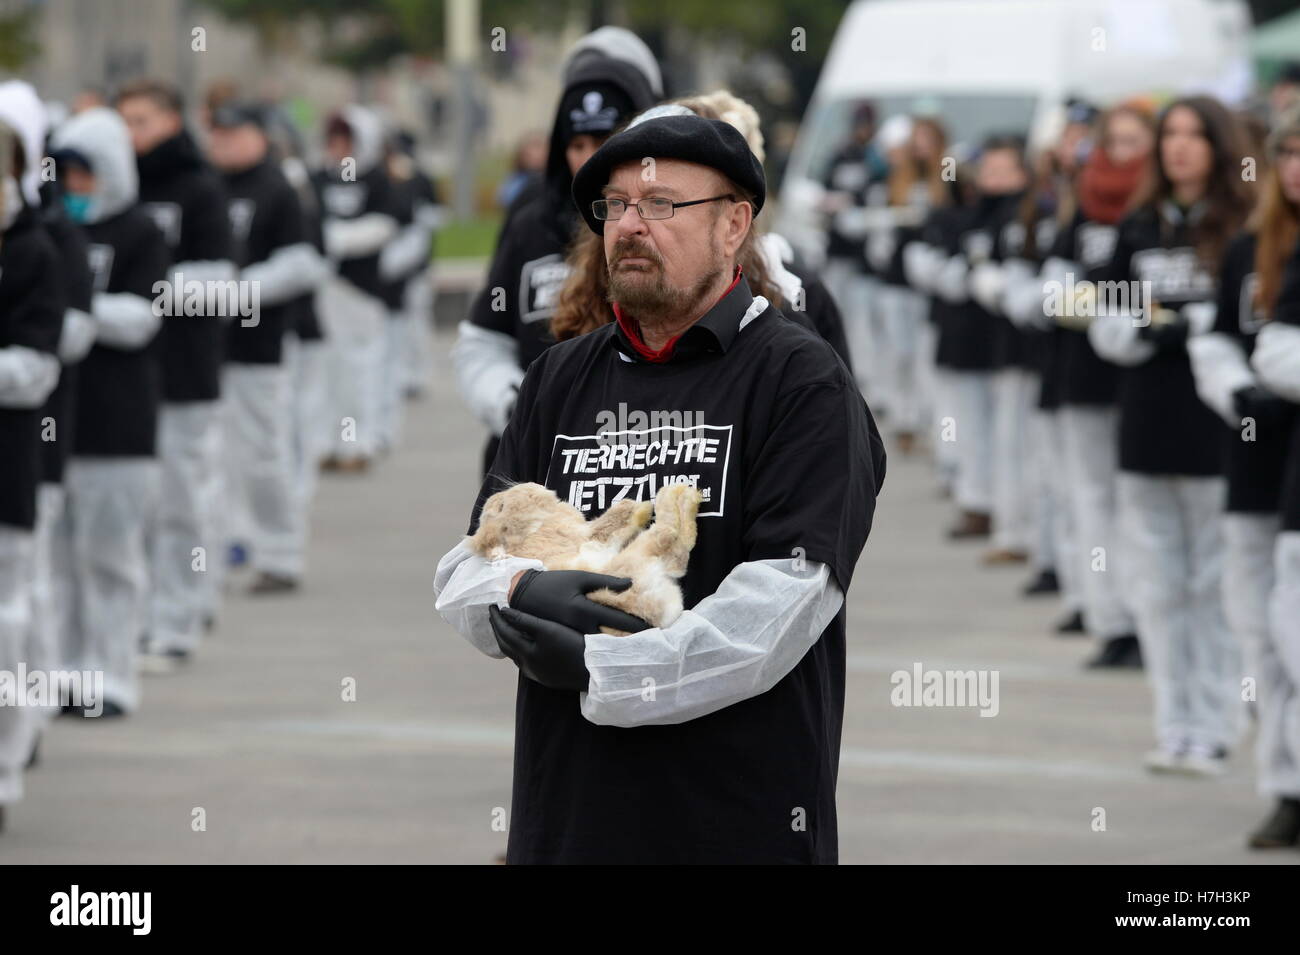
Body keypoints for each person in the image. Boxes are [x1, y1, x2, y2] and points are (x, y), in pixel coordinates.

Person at [435, 113, 885, 864]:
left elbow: (778, 611)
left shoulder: (802, 382)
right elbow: (464, 568)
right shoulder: (558, 377)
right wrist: (514, 590)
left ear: (734, 224)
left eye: (662, 204)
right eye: (615, 207)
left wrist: (601, 668)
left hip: (739, 822)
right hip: (569, 821)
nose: (631, 226)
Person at [1089, 96, 1253, 775]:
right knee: (1158, 581)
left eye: (1195, 135)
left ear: (1220, 145)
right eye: (1171, 135)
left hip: (1217, 426)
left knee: (1213, 581)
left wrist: (1199, 328)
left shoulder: (1243, 224)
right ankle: (1175, 721)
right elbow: (1099, 313)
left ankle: (1217, 722)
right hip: (1147, 418)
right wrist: (1142, 330)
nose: (1180, 147)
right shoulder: (1139, 225)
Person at [451, 27, 660, 476]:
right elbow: (483, 340)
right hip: (528, 468)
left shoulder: (671, 225)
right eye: (576, 145)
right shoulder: (532, 221)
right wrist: (516, 404)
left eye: (605, 142)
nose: (588, 161)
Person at [49, 107, 171, 716]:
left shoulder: (142, 232)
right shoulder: (51, 232)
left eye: (86, 174)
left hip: (118, 423)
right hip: (57, 426)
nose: (75, 189)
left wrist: (76, 316)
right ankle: (65, 674)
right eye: (66, 175)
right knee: (61, 562)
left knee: (110, 557)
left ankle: (111, 674)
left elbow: (144, 318)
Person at [115, 79, 234, 665]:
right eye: (124, 121)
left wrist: (152, 290)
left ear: (169, 120)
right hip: (127, 375)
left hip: (186, 370)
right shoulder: (116, 186)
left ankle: (178, 619)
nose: (131, 133)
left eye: (141, 120)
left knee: (181, 500)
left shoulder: (199, 188)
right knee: (138, 505)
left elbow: (222, 284)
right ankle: (143, 615)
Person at [1209, 108, 1300, 846]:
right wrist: (1238, 388)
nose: (1297, 166)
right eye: (1289, 153)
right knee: (1264, 632)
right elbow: (1220, 339)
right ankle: (1284, 782)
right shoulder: (1249, 248)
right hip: (1255, 450)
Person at [1041, 101, 1154, 667]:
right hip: (1084, 372)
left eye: (1136, 141)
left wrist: (1109, 303)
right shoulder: (1080, 209)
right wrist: (1099, 304)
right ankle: (1109, 616)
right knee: (1092, 497)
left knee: (1139, 502)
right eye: (1116, 141)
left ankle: (1144, 617)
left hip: (1149, 376)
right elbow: (1053, 293)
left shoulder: (1154, 213)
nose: (1124, 152)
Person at [208, 102, 328, 594]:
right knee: (214, 457)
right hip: (206, 346)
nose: (227, 143)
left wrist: (235, 289)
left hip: (259, 343)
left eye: (237, 133)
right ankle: (229, 541)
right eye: (220, 133)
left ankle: (280, 553)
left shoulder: (278, 188)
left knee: (263, 452)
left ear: (259, 136)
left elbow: (302, 263)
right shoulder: (208, 187)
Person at [0, 110, 64, 833]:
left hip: (10, 464)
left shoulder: (33, 250)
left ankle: (5, 771)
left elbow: (35, 367)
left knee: (6, 623)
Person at [315, 105, 400, 473]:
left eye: (345, 139)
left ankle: (360, 443)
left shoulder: (377, 179)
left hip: (361, 290)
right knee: (327, 371)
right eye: (333, 139)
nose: (338, 147)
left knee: (361, 368)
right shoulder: (318, 178)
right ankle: (331, 443)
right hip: (322, 286)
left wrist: (336, 239)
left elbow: (385, 226)